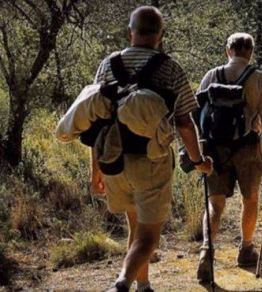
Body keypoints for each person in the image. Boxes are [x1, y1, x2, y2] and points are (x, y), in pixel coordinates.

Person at [90, 6, 213, 292]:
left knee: (135, 226)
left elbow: (95, 121)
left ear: (130, 31)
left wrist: (95, 169)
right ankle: (121, 284)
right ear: (160, 35)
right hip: (152, 161)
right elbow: (184, 123)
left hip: (114, 161)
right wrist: (197, 160)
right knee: (148, 237)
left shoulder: (108, 65)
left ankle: (142, 284)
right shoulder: (169, 68)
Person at [195, 32, 262, 281]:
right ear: (250, 52)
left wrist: (198, 154)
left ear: (228, 51)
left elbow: (197, 114)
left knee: (215, 203)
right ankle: (246, 250)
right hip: (247, 148)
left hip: (214, 151)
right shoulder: (260, 79)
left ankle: (206, 253)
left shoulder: (211, 76)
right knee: (250, 198)